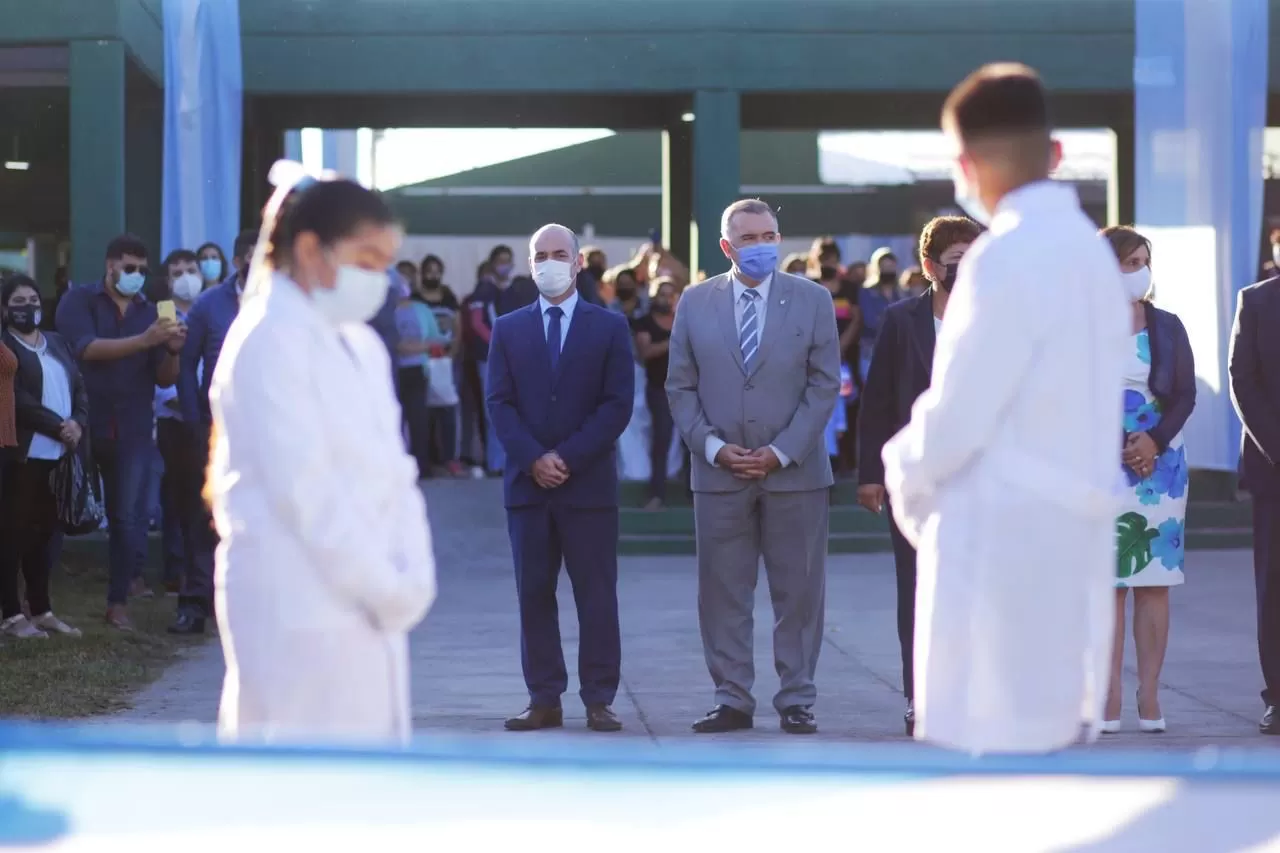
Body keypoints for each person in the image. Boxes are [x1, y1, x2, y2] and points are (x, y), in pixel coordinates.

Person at [881, 64, 1129, 754]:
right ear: (1051, 152)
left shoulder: (1004, 257)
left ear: (965, 163)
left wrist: (902, 470)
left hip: (998, 543)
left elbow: (957, 416)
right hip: (1068, 533)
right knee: (1050, 755)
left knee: (990, 769)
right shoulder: (1088, 253)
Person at [208, 167, 437, 743]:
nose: (379, 279)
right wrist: (384, 587)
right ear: (311, 250)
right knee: (298, 804)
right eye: (366, 260)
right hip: (297, 601)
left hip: (375, 602)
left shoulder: (360, 343)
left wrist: (414, 576)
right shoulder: (265, 340)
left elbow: (398, 472)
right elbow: (305, 493)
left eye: (386, 264)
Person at [666, 198, 841, 736]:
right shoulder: (694, 304)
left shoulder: (812, 300)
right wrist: (714, 448)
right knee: (722, 594)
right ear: (727, 246)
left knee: (800, 593)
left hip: (795, 474)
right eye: (750, 238)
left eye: (770, 235)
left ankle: (796, 698)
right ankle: (732, 698)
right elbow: (680, 386)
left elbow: (823, 383)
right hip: (720, 474)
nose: (763, 245)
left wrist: (782, 450)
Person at [487, 223, 633, 733]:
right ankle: (544, 697)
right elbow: (499, 403)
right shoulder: (508, 329)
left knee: (596, 594)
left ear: (576, 263)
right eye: (540, 255)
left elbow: (617, 405)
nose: (549, 262)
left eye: (559, 254)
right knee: (534, 594)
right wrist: (533, 459)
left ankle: (599, 698)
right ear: (531, 264)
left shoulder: (609, 328)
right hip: (529, 489)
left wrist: (566, 457)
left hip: (587, 485)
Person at [857, 215, 981, 737]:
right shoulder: (901, 319)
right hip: (921, 483)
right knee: (918, 590)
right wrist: (870, 474)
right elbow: (878, 398)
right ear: (930, 267)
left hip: (985, 478)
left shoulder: (998, 317)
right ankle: (920, 697)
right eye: (956, 262)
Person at [56, 234, 186, 631]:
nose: (137, 276)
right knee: (55, 509)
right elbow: (85, 349)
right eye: (130, 268)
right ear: (110, 265)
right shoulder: (79, 300)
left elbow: (164, 377)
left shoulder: (155, 309)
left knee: (129, 517)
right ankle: (32, 600)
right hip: (80, 423)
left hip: (130, 427)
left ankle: (118, 601)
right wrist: (145, 340)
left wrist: (173, 350)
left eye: (143, 271)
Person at [1093, 225, 1195, 733]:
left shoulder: (1168, 326)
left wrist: (1153, 440)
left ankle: (1149, 694)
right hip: (1098, 461)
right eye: (1129, 262)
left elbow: (1185, 395)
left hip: (1162, 467)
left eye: (1143, 262)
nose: (1139, 271)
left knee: (1154, 585)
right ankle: (1107, 694)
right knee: (1108, 585)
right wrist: (1117, 442)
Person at [0, 275, 87, 639]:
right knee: (12, 534)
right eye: (19, 302)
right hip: (22, 454)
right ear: (5, 309)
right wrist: (56, 425)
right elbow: (16, 398)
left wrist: (78, 424)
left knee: (43, 536)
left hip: (58, 455)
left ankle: (41, 609)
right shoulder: (5, 349)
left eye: (33, 300)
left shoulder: (56, 343)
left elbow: (78, 386)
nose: (28, 308)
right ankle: (10, 613)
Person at [1228, 250, 1280, 735]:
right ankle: (1277, 698)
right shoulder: (1257, 302)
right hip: (1274, 470)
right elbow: (1241, 380)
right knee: (1275, 588)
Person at [634, 278, 679, 509]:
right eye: (663, 294)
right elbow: (645, 352)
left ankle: (694, 494)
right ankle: (656, 494)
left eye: (672, 294)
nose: (667, 299)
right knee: (661, 438)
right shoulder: (644, 323)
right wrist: (673, 342)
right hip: (659, 389)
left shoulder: (684, 321)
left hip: (688, 390)